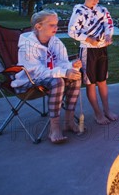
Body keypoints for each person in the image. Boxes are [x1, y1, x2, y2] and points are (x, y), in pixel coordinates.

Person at [13, 10, 82, 144]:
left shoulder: (55, 42)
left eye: (56, 24)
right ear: (39, 27)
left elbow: (61, 62)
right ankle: (54, 127)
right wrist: (63, 72)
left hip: (49, 77)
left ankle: (69, 120)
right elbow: (37, 72)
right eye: (52, 25)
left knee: (75, 78)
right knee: (58, 81)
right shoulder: (27, 46)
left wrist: (71, 67)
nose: (56, 28)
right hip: (29, 81)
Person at [68, 0, 117, 125]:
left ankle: (107, 110)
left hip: (102, 50)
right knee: (91, 83)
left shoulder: (102, 10)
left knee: (102, 81)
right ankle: (98, 113)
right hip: (87, 51)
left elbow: (109, 24)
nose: (95, 1)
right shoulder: (79, 11)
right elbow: (72, 31)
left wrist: (109, 35)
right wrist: (87, 38)